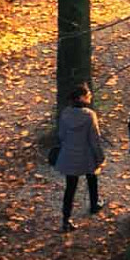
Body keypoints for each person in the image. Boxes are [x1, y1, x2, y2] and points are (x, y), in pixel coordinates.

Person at [54, 81, 106, 230]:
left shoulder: (65, 114)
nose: (90, 96)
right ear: (82, 98)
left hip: (70, 155)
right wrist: (100, 157)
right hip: (86, 154)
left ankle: (66, 219)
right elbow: (94, 139)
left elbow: (62, 135)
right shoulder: (90, 116)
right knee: (92, 177)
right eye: (88, 95)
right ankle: (94, 203)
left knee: (70, 188)